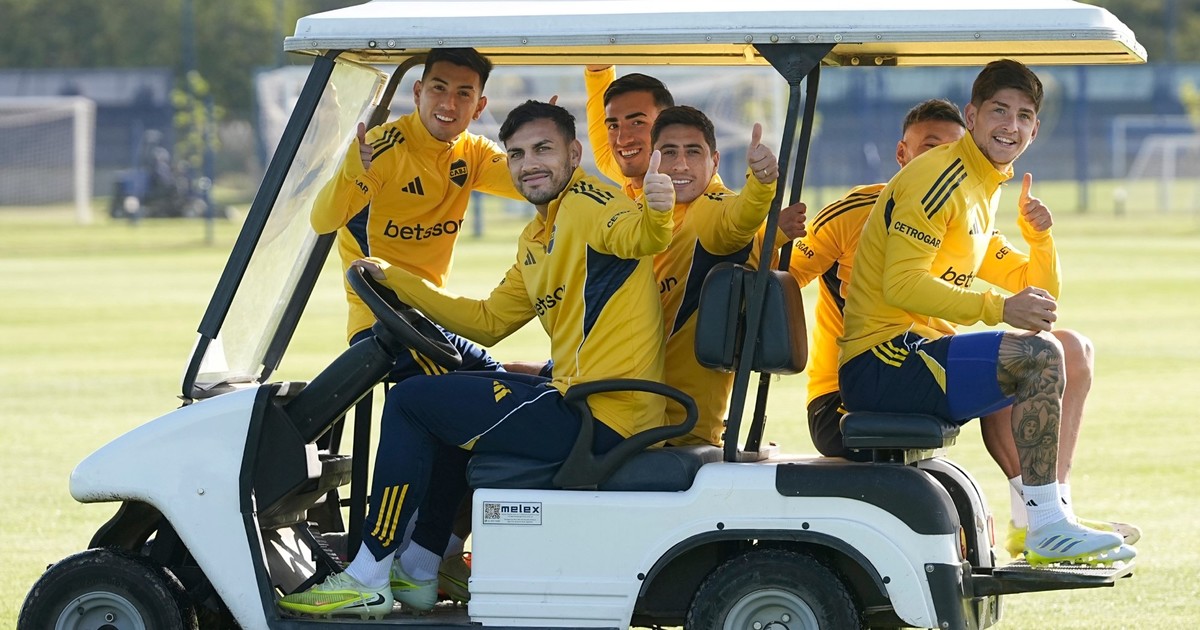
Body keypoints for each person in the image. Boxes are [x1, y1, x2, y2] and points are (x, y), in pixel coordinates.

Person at [278, 100, 677, 619]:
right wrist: (396, 281)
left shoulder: (590, 204)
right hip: (582, 399)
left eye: (543, 149)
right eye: (517, 155)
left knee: (410, 402)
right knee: (454, 394)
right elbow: (488, 320)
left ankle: (368, 575)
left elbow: (641, 235)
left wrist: (658, 209)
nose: (529, 164)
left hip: (603, 414)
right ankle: (420, 567)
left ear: (574, 154)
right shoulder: (536, 237)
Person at [785, 98, 1139, 558]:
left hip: (928, 365)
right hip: (850, 390)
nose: (944, 161)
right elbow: (783, 277)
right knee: (1024, 356)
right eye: (931, 148)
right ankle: (1045, 522)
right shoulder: (858, 209)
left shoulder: (964, 208)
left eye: (953, 151)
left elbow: (1036, 290)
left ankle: (1044, 514)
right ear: (902, 154)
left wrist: (1039, 238)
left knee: (1070, 348)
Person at [309, 48, 522, 601]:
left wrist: (542, 144)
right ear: (418, 92)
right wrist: (354, 169)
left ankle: (431, 558)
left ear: (479, 106)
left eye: (463, 93)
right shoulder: (382, 148)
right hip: (386, 324)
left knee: (498, 396)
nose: (449, 102)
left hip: (430, 323)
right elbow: (323, 219)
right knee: (463, 407)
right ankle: (384, 569)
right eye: (439, 88)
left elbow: (534, 183)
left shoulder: (472, 154)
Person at [648, 105, 781, 445]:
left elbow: (738, 220)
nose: (680, 164)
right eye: (669, 152)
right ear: (653, 160)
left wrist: (761, 184)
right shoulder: (647, 212)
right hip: (629, 408)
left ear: (715, 161)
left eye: (693, 152)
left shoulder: (711, 207)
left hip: (675, 430)